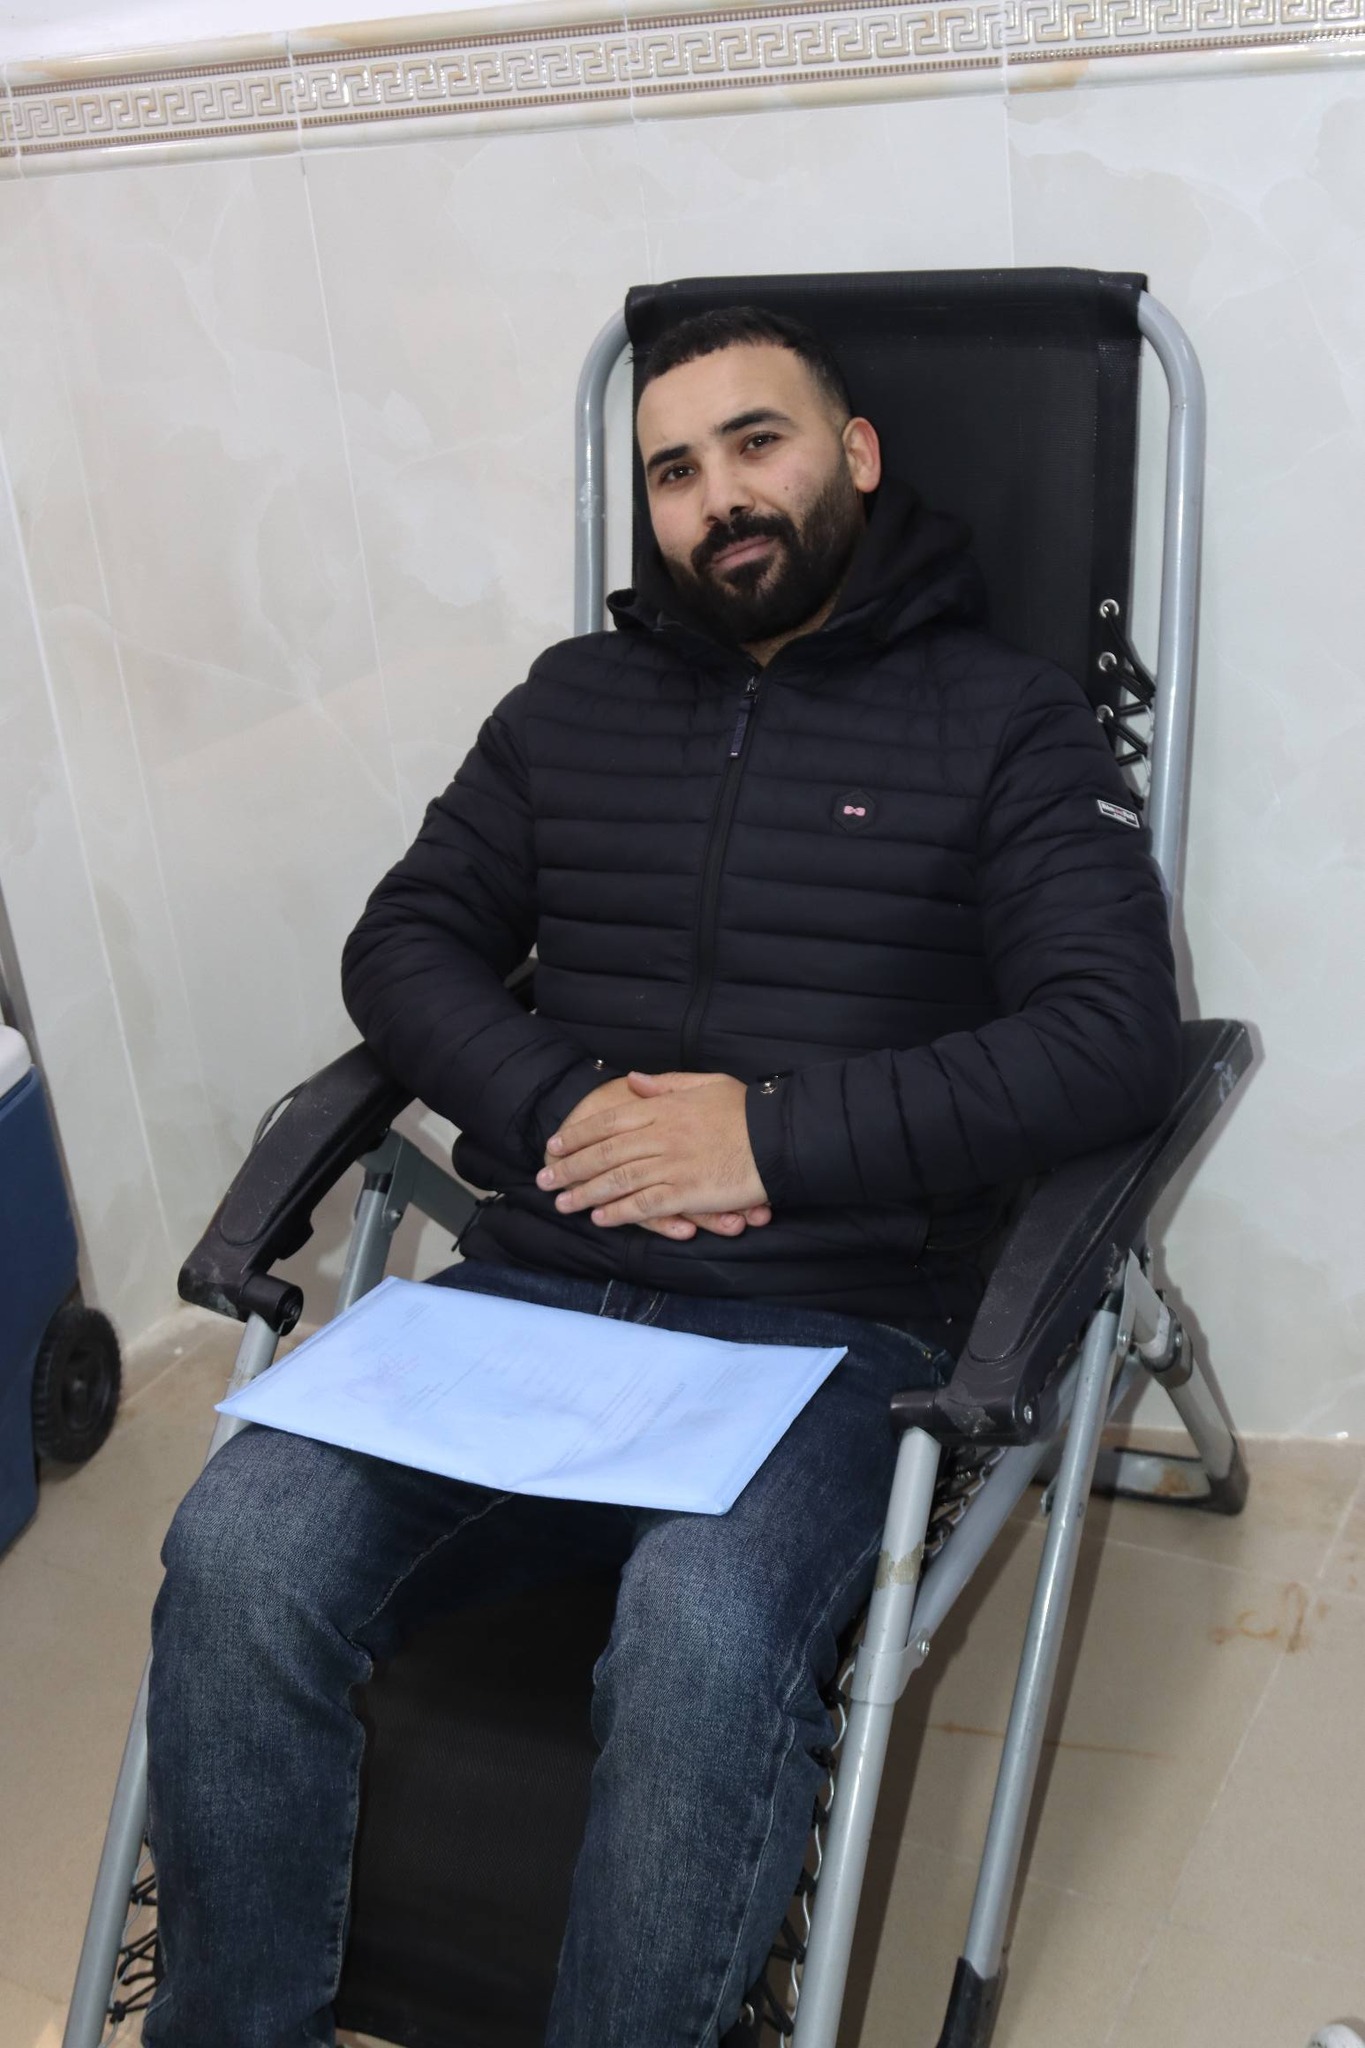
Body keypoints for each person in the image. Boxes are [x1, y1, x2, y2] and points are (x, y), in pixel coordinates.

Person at [142, 307, 1181, 2048]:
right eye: (674, 472)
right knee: (238, 1543)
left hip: (831, 1323)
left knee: (703, 1629)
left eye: (756, 443)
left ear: (854, 455)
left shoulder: (1007, 724)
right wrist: (568, 1105)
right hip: (536, 1294)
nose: (719, 498)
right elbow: (405, 945)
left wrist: (763, 1135)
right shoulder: (572, 704)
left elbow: (1108, 1036)